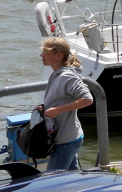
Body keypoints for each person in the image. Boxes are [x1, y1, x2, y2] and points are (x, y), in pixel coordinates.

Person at [40, 37, 93, 171]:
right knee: (71, 178)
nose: (42, 55)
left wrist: (57, 110)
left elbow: (87, 99)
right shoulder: (56, 74)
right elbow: (59, 98)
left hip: (66, 140)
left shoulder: (67, 76)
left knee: (53, 181)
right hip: (66, 137)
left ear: (58, 55)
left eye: (45, 53)